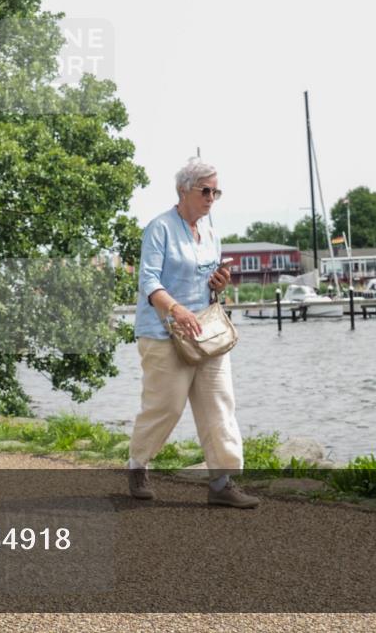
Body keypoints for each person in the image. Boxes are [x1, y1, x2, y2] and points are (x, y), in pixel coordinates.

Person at [127, 157, 258, 509]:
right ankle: (137, 464)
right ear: (184, 190)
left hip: (206, 331)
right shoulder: (159, 228)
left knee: (219, 404)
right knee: (166, 406)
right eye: (206, 190)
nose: (212, 197)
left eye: (217, 191)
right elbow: (148, 282)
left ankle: (221, 481)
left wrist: (218, 284)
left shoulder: (212, 234)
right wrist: (175, 309)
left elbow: (209, 287)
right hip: (163, 331)